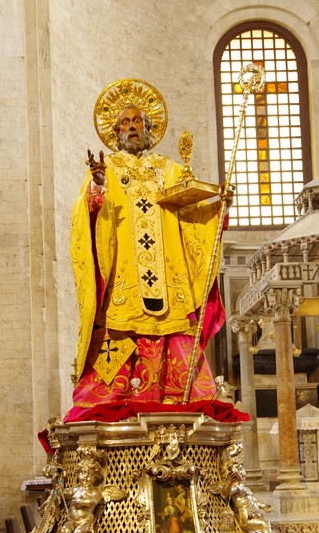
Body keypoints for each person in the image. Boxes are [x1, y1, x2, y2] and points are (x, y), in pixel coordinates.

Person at [67, 78, 226, 415]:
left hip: (170, 280)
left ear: (148, 128)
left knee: (177, 345)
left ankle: (176, 398)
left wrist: (217, 209)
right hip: (124, 286)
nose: (131, 126)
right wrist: (97, 188)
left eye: (137, 121)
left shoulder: (169, 170)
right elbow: (88, 217)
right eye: (125, 122)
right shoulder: (106, 169)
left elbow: (191, 214)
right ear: (116, 131)